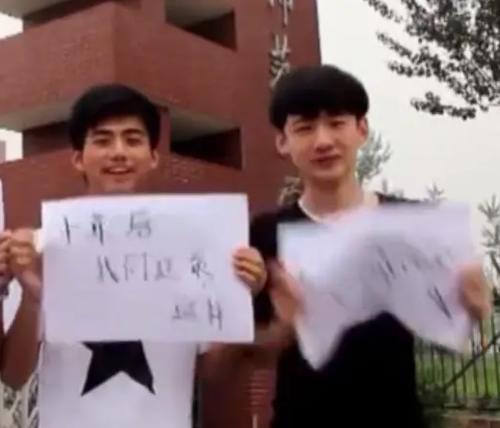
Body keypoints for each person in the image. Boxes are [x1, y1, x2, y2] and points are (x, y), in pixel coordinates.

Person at [0, 84, 266, 427]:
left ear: (153, 156)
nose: (118, 152)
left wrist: (242, 300)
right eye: (102, 140)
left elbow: (211, 372)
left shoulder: (191, 249)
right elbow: (14, 376)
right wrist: (32, 297)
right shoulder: (39, 249)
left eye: (132, 139)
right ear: (78, 158)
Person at [249, 64, 492, 428]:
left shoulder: (410, 223)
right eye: (304, 128)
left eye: (337, 123)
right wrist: (286, 326)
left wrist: (474, 307)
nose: (323, 141)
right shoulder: (267, 232)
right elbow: (254, 353)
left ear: (362, 129)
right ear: (282, 141)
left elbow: (450, 329)